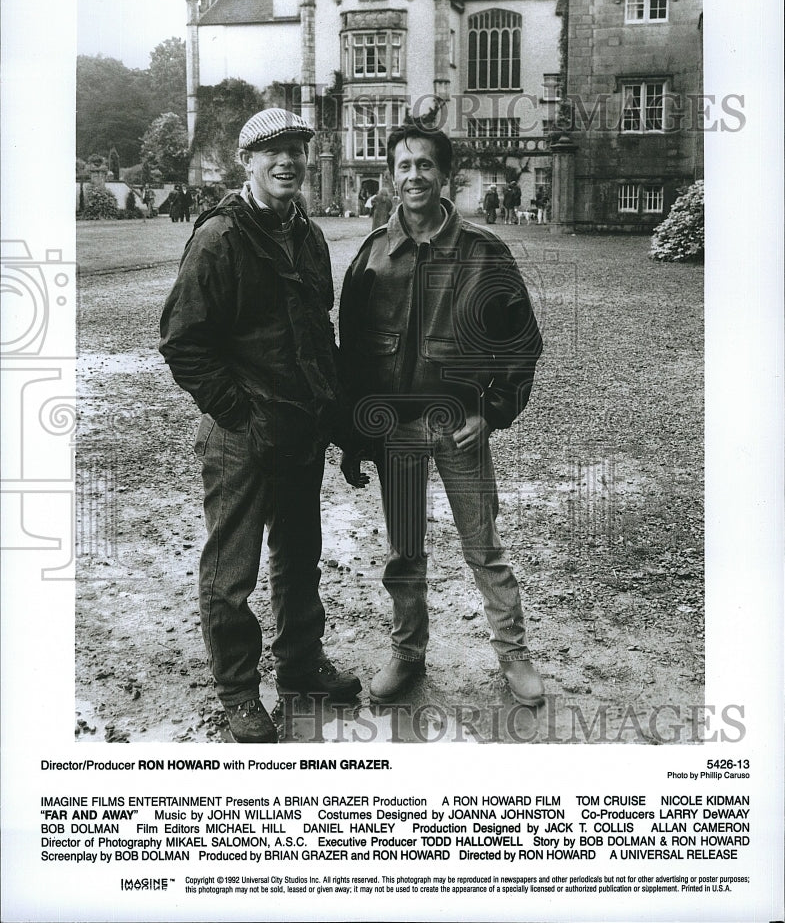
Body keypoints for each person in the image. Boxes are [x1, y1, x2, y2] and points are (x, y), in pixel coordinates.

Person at [159, 108, 360, 743]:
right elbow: (183, 341)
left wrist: (337, 417)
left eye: (296, 150)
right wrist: (238, 413)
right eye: (271, 151)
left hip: (299, 428)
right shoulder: (220, 237)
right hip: (241, 433)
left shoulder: (308, 235)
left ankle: (300, 666)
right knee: (233, 569)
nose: (286, 162)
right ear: (246, 163)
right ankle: (239, 692)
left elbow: (318, 337)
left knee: (299, 557)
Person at [338, 121, 545, 709]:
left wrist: (492, 407)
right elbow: (351, 350)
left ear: (444, 174)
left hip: (458, 425)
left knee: (484, 546)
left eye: (425, 165)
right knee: (405, 549)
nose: (414, 176)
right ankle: (407, 655)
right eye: (403, 166)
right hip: (396, 430)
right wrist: (355, 434)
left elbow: (521, 341)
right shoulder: (374, 253)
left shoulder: (483, 252)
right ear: (391, 176)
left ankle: (514, 655)